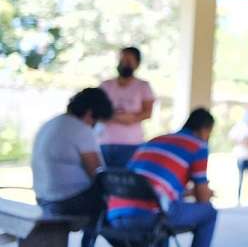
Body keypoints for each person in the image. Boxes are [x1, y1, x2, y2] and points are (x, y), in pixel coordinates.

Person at [106, 108, 218, 247]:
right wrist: (204, 193)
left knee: (166, 209)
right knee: (209, 212)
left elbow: (149, 185)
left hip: (115, 214)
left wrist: (187, 192)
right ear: (205, 130)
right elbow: (203, 199)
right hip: (150, 215)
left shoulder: (155, 140)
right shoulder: (198, 145)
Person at [32, 88, 113, 247]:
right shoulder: (80, 129)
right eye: (96, 120)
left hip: (43, 198)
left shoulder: (51, 123)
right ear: (90, 113)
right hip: (67, 202)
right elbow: (97, 173)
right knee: (116, 204)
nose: (94, 125)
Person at [98, 46, 155, 167]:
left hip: (131, 144)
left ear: (137, 64)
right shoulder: (106, 85)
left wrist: (132, 118)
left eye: (128, 61)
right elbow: (96, 112)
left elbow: (148, 112)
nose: (124, 64)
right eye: (121, 61)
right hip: (105, 143)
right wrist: (121, 118)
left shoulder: (143, 86)